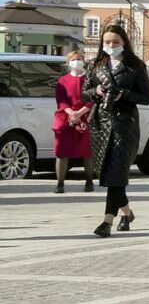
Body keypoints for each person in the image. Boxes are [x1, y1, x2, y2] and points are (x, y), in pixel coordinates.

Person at [84, 25, 149, 238]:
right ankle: (127, 213)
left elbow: (147, 97)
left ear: (124, 43)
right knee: (108, 174)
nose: (110, 46)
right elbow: (84, 92)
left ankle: (107, 221)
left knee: (117, 172)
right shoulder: (96, 65)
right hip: (101, 124)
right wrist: (95, 91)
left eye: (115, 42)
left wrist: (125, 95)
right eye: (107, 43)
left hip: (125, 125)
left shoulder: (135, 66)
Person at [53, 49, 94, 195]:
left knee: (87, 151)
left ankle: (89, 181)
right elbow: (61, 101)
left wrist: (80, 113)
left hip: (85, 116)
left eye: (79, 59)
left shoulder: (89, 79)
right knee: (62, 151)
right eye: (73, 59)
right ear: (68, 63)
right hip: (65, 117)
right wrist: (71, 113)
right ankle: (60, 183)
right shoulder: (63, 80)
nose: (76, 62)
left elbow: (92, 100)